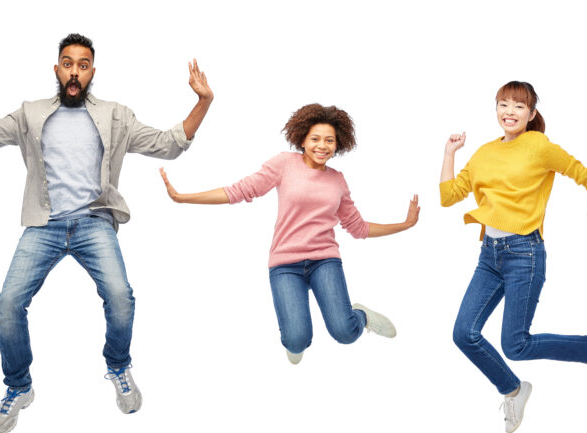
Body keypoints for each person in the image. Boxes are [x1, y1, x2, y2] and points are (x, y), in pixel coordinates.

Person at [0, 34, 214, 433]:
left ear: (91, 73)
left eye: (82, 65)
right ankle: (19, 387)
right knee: (7, 304)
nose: (74, 72)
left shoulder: (116, 115)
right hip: (44, 225)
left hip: (94, 222)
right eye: (67, 63)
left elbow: (168, 144)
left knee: (121, 297)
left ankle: (118, 367)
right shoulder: (30, 113)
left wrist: (203, 101)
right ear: (56, 69)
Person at [158, 104, 417, 364]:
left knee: (345, 333)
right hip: (285, 264)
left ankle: (362, 317)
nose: (322, 146)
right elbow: (239, 190)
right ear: (303, 139)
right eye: (315, 139)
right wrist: (183, 197)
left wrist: (404, 225)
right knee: (295, 340)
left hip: (324, 261)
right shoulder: (285, 164)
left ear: (338, 144)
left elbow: (358, 228)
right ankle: (296, 336)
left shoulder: (337, 180)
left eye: (330, 140)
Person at [440, 81, 587, 433]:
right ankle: (514, 389)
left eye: (518, 106)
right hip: (489, 256)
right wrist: (449, 153)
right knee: (463, 334)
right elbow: (449, 196)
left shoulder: (538, 145)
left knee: (515, 345)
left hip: (525, 254)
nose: (509, 111)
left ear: (532, 114)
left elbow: (584, 173)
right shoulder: (485, 153)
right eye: (503, 104)